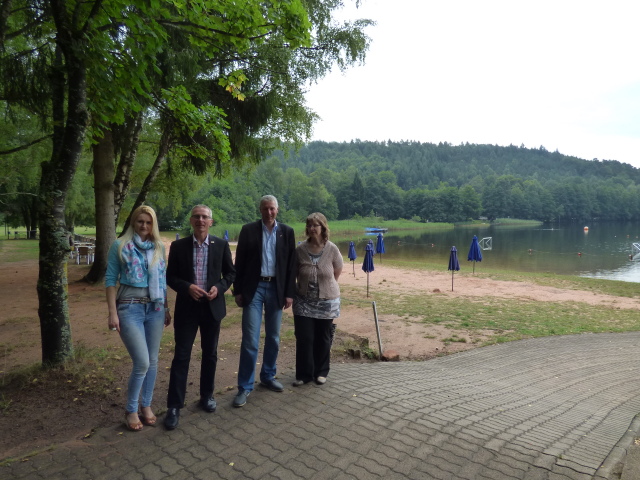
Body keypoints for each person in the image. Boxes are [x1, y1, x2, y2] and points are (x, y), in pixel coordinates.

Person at [163, 205, 235, 430]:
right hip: (187, 308)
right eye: (197, 216)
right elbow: (170, 276)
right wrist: (187, 287)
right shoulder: (178, 246)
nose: (201, 220)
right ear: (191, 220)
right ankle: (174, 406)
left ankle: (207, 395)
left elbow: (230, 273)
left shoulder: (221, 245)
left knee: (210, 354)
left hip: (212, 307)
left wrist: (219, 288)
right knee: (181, 356)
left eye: (205, 217)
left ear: (211, 222)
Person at [105, 205, 171, 432]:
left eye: (148, 222)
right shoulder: (120, 246)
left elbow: (162, 280)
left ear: (153, 225)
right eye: (140, 221)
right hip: (129, 308)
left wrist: (167, 308)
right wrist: (112, 313)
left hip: (155, 308)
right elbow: (110, 280)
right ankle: (131, 409)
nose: (144, 225)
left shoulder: (159, 247)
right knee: (142, 361)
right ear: (133, 222)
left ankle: (146, 405)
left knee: (153, 360)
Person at [233, 195, 296, 407]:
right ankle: (245, 386)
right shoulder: (248, 230)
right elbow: (239, 262)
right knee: (250, 339)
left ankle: (268, 376)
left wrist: (289, 293)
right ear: (260, 210)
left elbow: (290, 266)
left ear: (277, 210)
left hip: (276, 288)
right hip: (254, 288)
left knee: (274, 337)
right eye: (265, 209)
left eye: (272, 209)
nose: (269, 212)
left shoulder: (286, 232)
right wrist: (238, 290)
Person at [292, 213, 343, 386]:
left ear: (323, 227)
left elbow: (337, 271)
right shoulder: (300, 250)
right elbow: (295, 272)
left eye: (316, 225)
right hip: (303, 301)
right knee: (304, 337)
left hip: (327, 302)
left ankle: (321, 372)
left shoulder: (332, 249)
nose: (312, 228)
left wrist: (326, 285)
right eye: (310, 225)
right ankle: (304, 374)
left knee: (323, 337)